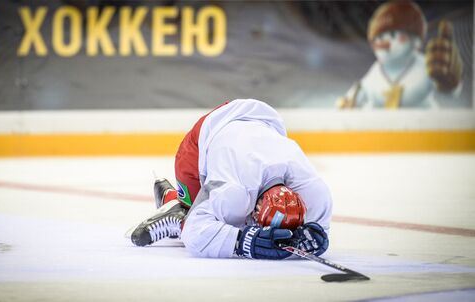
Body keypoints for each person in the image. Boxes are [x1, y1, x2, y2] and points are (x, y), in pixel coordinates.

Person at [130, 99, 333, 260]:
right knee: (225, 218)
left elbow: (317, 230)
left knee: (233, 219)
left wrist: (314, 234)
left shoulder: (314, 193)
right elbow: (195, 233)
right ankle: (176, 209)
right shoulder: (235, 193)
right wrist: (243, 242)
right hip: (203, 139)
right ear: (256, 205)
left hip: (258, 121)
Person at [336, 0, 463, 109]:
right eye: (377, 38)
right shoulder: (376, 70)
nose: (382, 43)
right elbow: (361, 90)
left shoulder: (427, 65)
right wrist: (348, 102)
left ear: (416, 40)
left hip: (421, 130)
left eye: (393, 35)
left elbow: (448, 92)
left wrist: (449, 83)